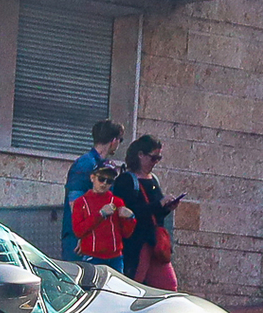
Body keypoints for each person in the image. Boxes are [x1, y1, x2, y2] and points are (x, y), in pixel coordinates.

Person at [113, 135, 184, 290]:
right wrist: (158, 205)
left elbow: (154, 213)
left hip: (154, 241)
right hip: (137, 242)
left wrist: (166, 208)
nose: (155, 162)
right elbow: (129, 213)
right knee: (134, 284)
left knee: (168, 286)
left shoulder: (153, 179)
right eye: (153, 158)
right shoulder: (126, 180)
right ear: (140, 155)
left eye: (159, 158)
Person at [62, 118, 125, 260]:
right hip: (80, 241)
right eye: (120, 141)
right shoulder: (85, 164)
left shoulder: (101, 164)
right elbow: (75, 203)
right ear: (114, 140)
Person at [68, 160, 134, 274]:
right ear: (92, 178)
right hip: (92, 257)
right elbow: (78, 231)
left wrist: (130, 218)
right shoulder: (81, 202)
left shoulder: (117, 202)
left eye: (109, 181)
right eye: (101, 179)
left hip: (115, 258)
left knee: (117, 290)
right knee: (93, 289)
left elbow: (126, 233)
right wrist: (100, 214)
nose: (104, 184)